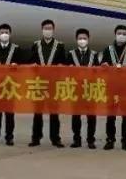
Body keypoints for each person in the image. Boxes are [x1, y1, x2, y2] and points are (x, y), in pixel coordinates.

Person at [99, 24, 126, 151]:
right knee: (111, 116)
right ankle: (110, 140)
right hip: (112, 87)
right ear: (115, 34)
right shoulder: (108, 50)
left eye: (124, 34)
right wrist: (103, 65)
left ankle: (125, 141)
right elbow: (102, 66)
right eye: (119, 33)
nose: (121, 36)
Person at [29, 19, 65, 148]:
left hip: (53, 83)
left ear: (53, 30)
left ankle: (55, 138)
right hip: (39, 83)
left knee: (54, 113)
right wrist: (32, 64)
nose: (47, 31)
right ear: (42, 30)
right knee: (37, 112)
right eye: (45, 28)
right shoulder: (36, 45)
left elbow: (64, 62)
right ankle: (36, 138)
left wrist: (61, 65)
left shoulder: (59, 46)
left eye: (49, 28)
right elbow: (30, 61)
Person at [67, 28, 100, 148]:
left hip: (90, 89)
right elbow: (65, 71)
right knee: (76, 116)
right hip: (76, 89)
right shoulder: (71, 54)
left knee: (91, 116)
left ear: (88, 39)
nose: (82, 40)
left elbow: (98, 72)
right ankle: (77, 139)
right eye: (80, 38)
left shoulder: (94, 54)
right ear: (76, 40)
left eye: (84, 38)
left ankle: (91, 140)